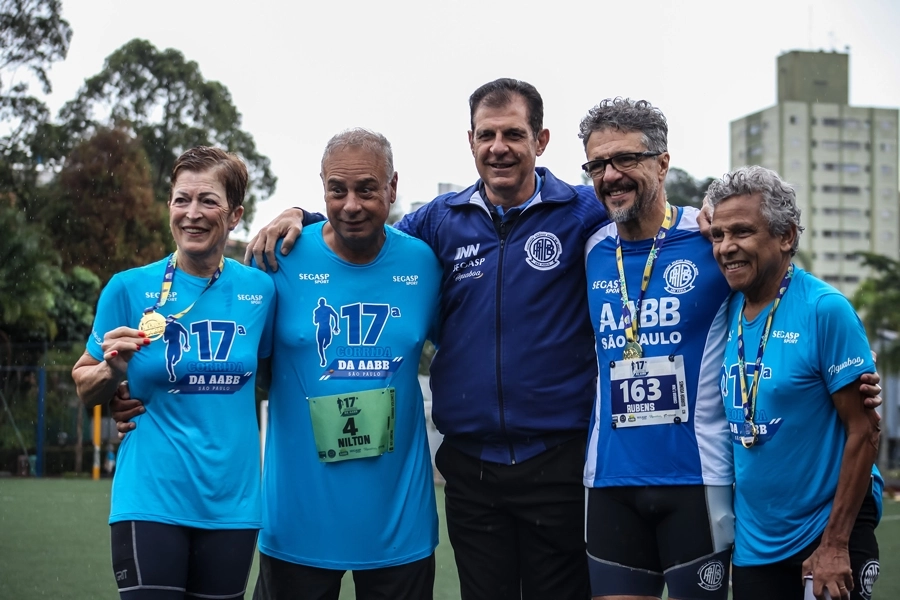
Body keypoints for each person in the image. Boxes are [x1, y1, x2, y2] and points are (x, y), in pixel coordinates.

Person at [246, 79, 609, 600]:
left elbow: (640, 224)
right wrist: (300, 216)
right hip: (471, 471)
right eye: (487, 133)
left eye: (513, 133)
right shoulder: (438, 224)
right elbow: (359, 225)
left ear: (541, 139)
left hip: (556, 460)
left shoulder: (583, 213)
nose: (499, 146)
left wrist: (696, 218)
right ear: (471, 141)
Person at [72, 147, 275, 599]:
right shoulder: (127, 288)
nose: (193, 214)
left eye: (208, 201)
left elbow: (275, 367)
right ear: (169, 208)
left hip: (234, 505)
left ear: (235, 214)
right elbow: (85, 386)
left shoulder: (260, 290)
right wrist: (113, 371)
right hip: (150, 498)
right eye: (182, 200)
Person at [249, 128, 442, 600]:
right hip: (298, 522)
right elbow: (244, 369)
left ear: (392, 188)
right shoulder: (277, 260)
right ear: (322, 189)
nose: (351, 204)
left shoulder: (424, 263)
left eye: (367, 189)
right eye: (337, 190)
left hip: (399, 525)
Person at [580, 98, 735, 600]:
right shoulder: (592, 247)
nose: (611, 175)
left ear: (662, 163)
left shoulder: (712, 237)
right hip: (610, 480)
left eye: (626, 159)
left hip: (697, 478)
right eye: (598, 164)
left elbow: (782, 285)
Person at [708, 166, 882, 600]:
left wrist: (835, 544)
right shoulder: (725, 309)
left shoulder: (825, 309)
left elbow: (865, 431)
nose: (727, 247)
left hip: (825, 533)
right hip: (755, 544)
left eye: (743, 232)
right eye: (718, 235)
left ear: (786, 236)